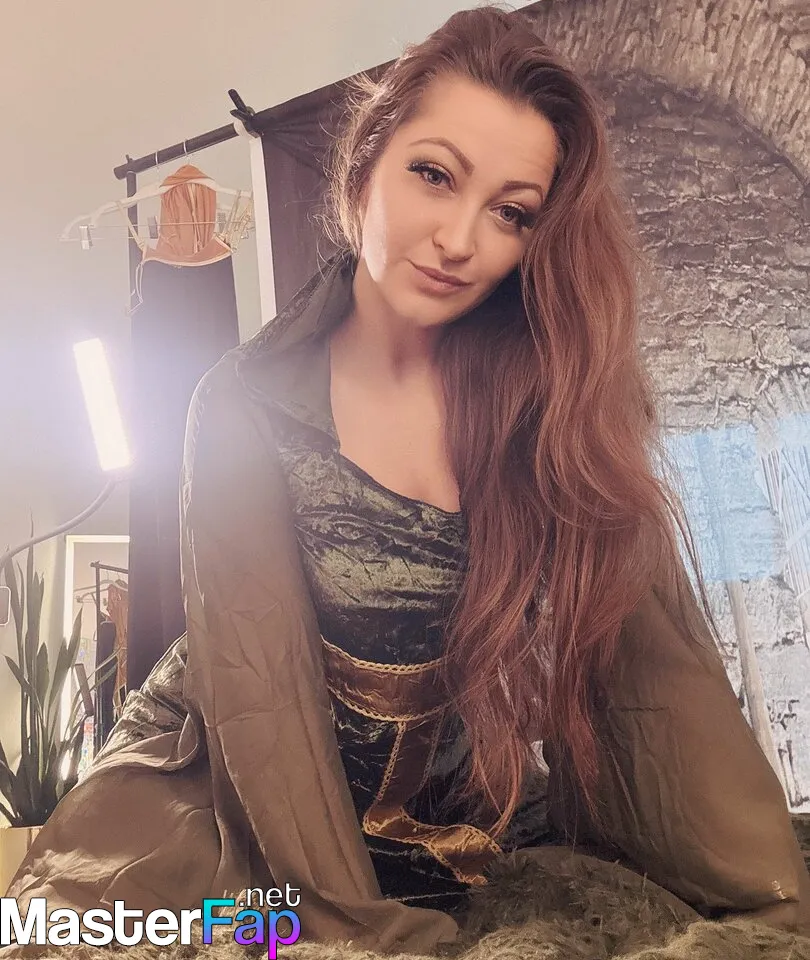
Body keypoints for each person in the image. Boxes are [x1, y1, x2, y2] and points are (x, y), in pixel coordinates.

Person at [3, 5, 808, 956]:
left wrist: (771, 904)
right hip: (226, 796)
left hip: (449, 810)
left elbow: (657, 666)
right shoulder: (241, 405)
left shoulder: (555, 399)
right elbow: (264, 702)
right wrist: (349, 931)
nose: (460, 239)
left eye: (511, 212)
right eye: (434, 174)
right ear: (366, 163)